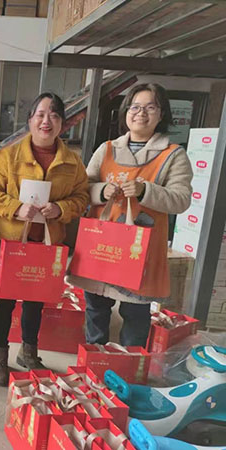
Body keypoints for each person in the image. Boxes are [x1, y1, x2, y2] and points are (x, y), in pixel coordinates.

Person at [68, 83, 193, 348]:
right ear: (126, 112)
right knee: (96, 306)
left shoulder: (173, 155)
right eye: (135, 107)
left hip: (140, 249)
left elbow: (181, 199)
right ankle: (95, 358)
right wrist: (102, 191)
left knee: (135, 313)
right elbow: (82, 188)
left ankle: (129, 363)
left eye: (150, 107)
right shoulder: (107, 149)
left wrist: (145, 190)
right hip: (103, 244)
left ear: (161, 114)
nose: (141, 113)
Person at [0, 93, 89, 386]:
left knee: (36, 301)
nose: (46, 121)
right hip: (11, 242)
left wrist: (61, 209)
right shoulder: (8, 156)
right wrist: (16, 207)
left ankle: (28, 352)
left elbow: (82, 197)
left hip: (47, 245)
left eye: (54, 115)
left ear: (62, 123)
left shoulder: (72, 163)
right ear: (30, 121)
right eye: (40, 114)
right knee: (4, 300)